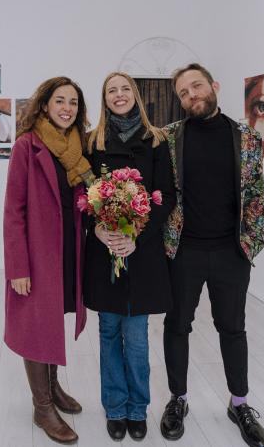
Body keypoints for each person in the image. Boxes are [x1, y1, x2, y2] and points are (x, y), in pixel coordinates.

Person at [159, 63, 264, 447]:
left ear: (213, 86)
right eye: (184, 93)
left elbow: (255, 193)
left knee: (232, 328)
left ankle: (239, 403)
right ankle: (178, 400)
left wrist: (250, 244)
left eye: (197, 86)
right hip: (184, 250)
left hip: (230, 252)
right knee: (177, 327)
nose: (192, 95)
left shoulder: (246, 138)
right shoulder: (170, 137)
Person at [83, 72, 175, 442]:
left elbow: (165, 197)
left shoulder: (155, 140)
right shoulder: (93, 141)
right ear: (104, 100)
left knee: (136, 336)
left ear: (135, 95)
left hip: (142, 253)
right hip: (104, 253)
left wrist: (135, 236)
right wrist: (98, 229)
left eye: (125, 89)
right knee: (108, 333)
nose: (119, 96)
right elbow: (85, 195)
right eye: (111, 91)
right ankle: (115, 408)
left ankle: (138, 409)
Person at [3, 76, 94, 444]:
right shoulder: (27, 145)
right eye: (60, 100)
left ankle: (53, 389)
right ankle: (42, 408)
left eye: (73, 102)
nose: (66, 108)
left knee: (53, 320)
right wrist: (18, 268)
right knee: (36, 325)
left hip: (69, 249)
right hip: (38, 255)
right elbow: (13, 211)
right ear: (44, 105)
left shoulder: (77, 148)